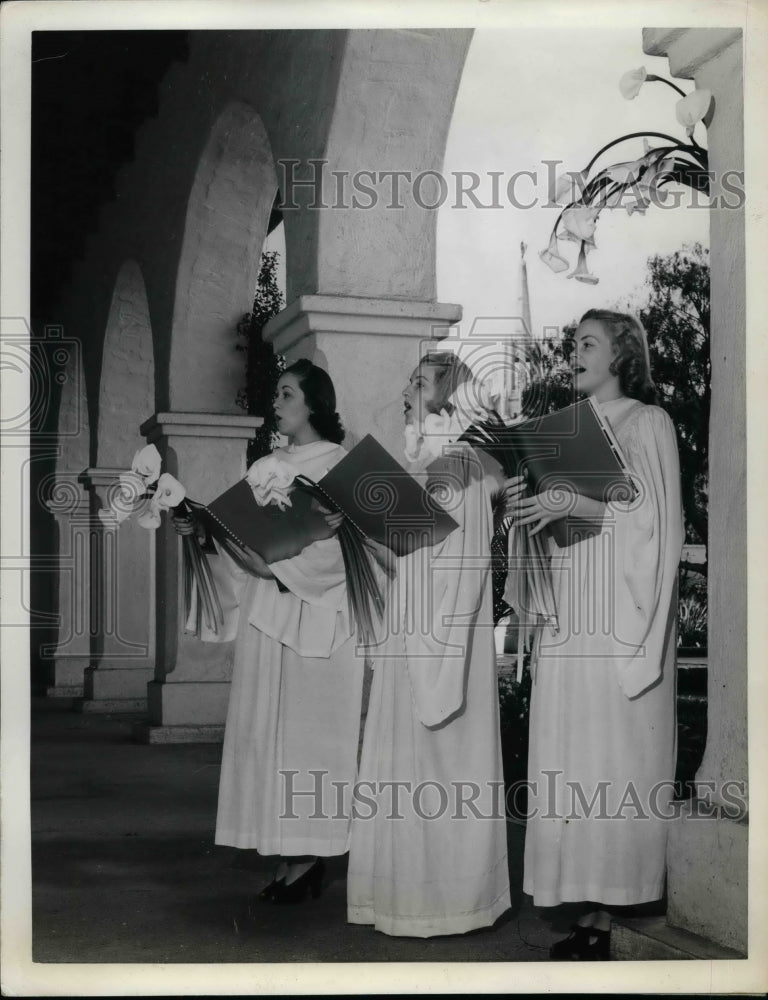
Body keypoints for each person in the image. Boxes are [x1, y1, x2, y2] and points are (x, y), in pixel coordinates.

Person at [505, 309, 684, 959]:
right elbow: (567, 523)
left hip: (618, 618)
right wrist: (534, 514)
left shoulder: (648, 421)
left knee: (611, 757)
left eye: (587, 343)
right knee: (574, 755)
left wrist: (575, 504)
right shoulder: (565, 433)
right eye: (572, 343)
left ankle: (609, 910)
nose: (572, 352)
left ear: (622, 354)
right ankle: (585, 896)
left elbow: (655, 523)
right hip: (574, 609)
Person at [176, 359, 364, 904]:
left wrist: (279, 564)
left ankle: (310, 856)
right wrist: (205, 533)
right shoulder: (264, 466)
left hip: (315, 615)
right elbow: (242, 542)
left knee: (307, 739)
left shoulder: (340, 466)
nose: (276, 403)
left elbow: (345, 552)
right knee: (269, 735)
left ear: (314, 404)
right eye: (277, 392)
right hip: (269, 612)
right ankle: (287, 853)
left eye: (286, 393)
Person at [346, 352, 512, 937]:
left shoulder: (459, 462)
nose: (406, 391)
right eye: (408, 379)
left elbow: (459, 566)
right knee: (407, 764)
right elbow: (409, 562)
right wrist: (361, 525)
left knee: (438, 765)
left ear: (448, 398)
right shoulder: (427, 466)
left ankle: (444, 903)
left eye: (419, 382)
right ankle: (406, 896)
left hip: (442, 636)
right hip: (410, 629)